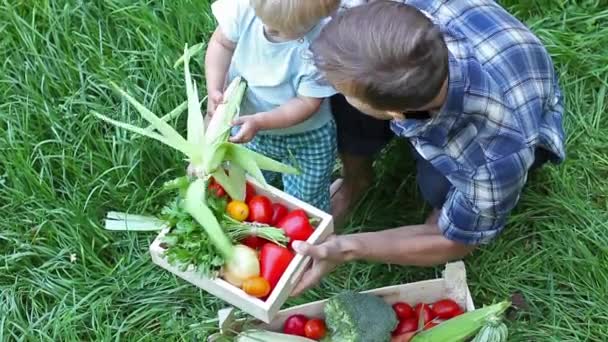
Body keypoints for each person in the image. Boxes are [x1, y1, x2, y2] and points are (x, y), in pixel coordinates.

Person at [291, 0, 566, 296]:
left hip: (521, 113)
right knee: (339, 98)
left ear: (396, 114)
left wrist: (347, 248)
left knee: (436, 188)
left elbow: (457, 241)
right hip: (470, 64)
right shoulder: (384, 20)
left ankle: (441, 209)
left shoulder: (493, 152)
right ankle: (355, 182)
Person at [201, 0, 340, 212]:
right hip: (248, 124)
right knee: (244, 184)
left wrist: (261, 121)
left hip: (306, 138)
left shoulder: (324, 46)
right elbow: (222, 44)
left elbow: (307, 102)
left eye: (282, 31)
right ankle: (252, 214)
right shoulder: (243, 10)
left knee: (305, 199)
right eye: (265, 22)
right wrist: (215, 86)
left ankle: (302, 233)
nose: (269, 30)